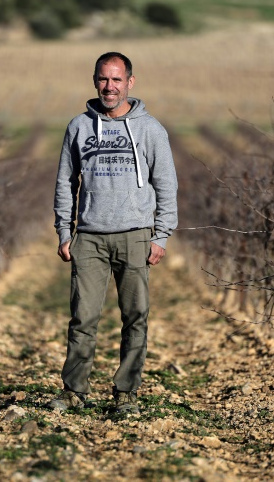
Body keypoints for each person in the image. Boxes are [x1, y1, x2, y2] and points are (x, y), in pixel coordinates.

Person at [49, 52, 178, 414]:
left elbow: (166, 184)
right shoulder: (78, 127)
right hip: (89, 237)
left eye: (117, 80)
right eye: (104, 79)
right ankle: (74, 391)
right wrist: (64, 230)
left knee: (135, 317)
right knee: (82, 318)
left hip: (135, 235)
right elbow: (64, 182)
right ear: (95, 81)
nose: (110, 87)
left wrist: (161, 235)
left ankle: (126, 394)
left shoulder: (150, 129)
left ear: (130, 83)